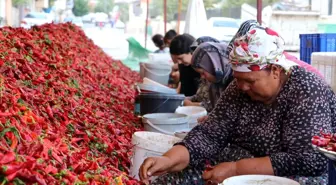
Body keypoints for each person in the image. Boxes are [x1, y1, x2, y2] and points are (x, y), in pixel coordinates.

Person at [139, 26, 336, 185]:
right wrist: (167, 160)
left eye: (250, 81)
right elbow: (210, 134)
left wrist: (236, 170)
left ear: (275, 70)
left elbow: (309, 160)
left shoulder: (306, 89)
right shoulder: (238, 88)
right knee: (176, 177)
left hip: (293, 176)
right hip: (241, 162)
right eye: (237, 79)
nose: (242, 87)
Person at [184, 37, 233, 113]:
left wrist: (191, 104)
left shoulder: (233, 83)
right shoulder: (214, 84)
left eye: (203, 73)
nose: (202, 77)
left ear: (214, 65)